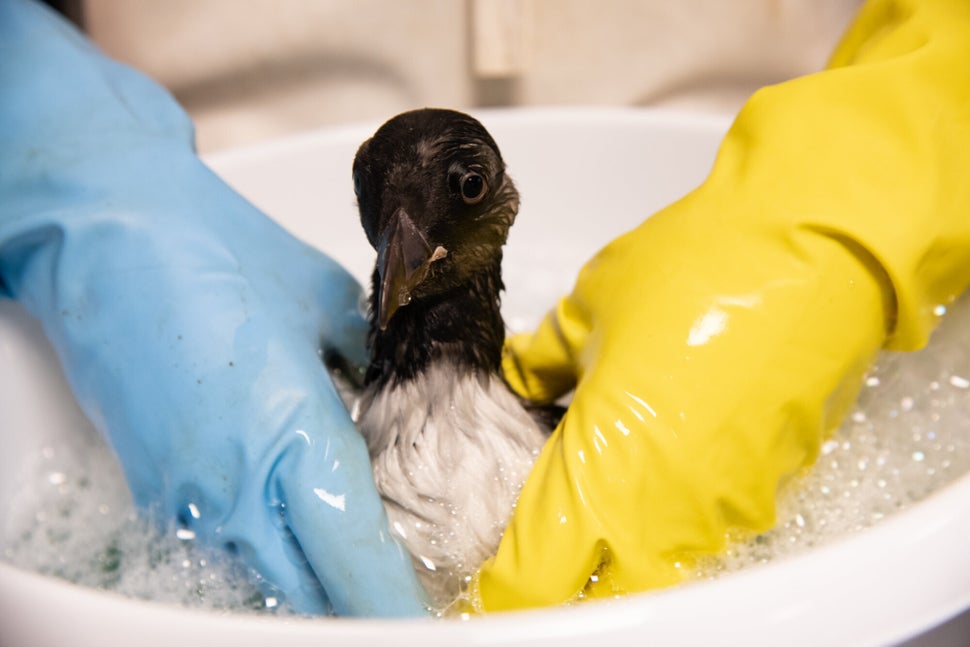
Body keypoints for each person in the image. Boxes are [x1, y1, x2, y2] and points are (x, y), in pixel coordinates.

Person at [2, 0, 968, 617]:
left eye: (459, 192)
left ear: (498, 204)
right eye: (387, 205)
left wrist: (905, 135)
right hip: (222, 188)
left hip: (715, 145)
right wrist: (51, 132)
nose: (406, 246)